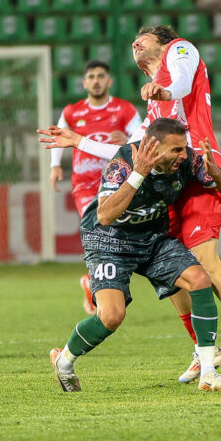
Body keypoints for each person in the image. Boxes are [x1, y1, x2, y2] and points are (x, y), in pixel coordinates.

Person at [40, 25, 221, 389]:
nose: (134, 42)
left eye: (143, 37)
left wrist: (167, 89)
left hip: (198, 166)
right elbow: (136, 151)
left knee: (204, 262)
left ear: (164, 41)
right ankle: (207, 351)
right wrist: (79, 141)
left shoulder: (179, 52)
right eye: (131, 41)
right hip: (167, 178)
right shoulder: (156, 101)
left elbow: (183, 83)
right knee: (174, 268)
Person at [49, 118, 221, 393]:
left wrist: (216, 173)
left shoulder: (189, 162)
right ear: (154, 147)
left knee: (200, 279)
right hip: (108, 240)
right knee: (112, 316)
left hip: (152, 239)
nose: (184, 155)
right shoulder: (123, 163)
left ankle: (209, 372)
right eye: (176, 150)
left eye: (184, 149)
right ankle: (65, 361)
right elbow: (104, 215)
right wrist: (138, 174)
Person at [50, 60, 141, 314]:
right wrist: (54, 166)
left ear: (109, 81)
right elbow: (58, 135)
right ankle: (99, 283)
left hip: (115, 183)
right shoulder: (72, 112)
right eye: (91, 76)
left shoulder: (124, 110)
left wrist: (127, 140)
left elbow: (141, 139)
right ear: (84, 82)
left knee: (116, 233)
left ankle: (96, 281)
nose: (96, 80)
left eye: (101, 75)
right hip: (84, 185)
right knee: (99, 230)